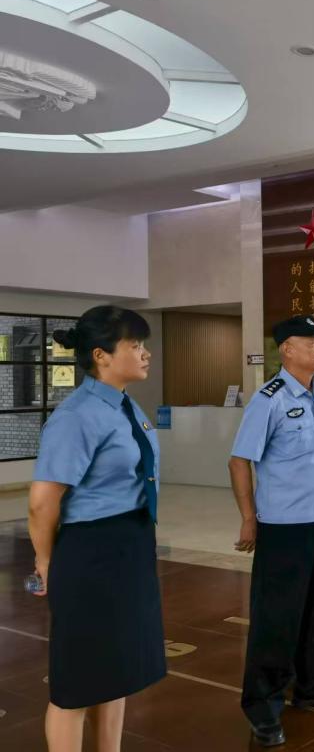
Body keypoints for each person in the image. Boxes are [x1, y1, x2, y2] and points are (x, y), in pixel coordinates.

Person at [28, 306, 164, 752]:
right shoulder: (78, 415)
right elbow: (42, 501)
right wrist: (45, 561)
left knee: (116, 669)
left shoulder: (124, 404)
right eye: (135, 345)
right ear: (102, 355)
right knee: (78, 679)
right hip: (92, 552)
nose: (145, 354)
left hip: (129, 545)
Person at [228, 315, 314, 748]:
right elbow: (240, 460)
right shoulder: (270, 399)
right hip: (284, 527)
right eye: (311, 341)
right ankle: (263, 705)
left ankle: (312, 684)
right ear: (287, 350)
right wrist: (248, 517)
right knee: (276, 618)